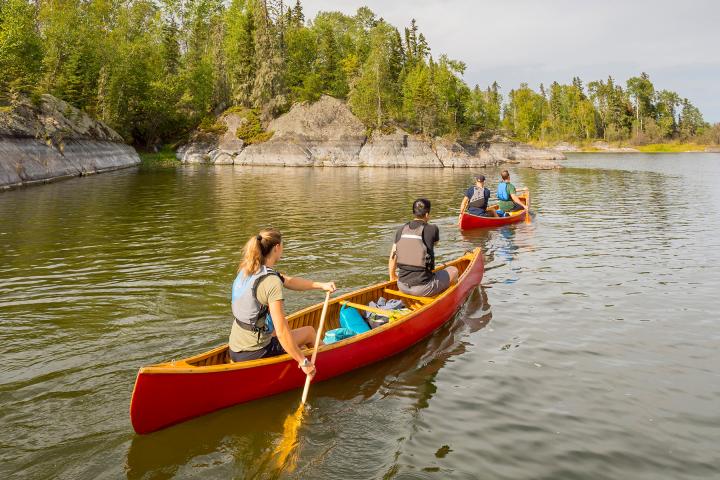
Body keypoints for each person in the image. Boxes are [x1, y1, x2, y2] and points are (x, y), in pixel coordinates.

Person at [229, 228, 336, 379]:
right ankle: (331, 365)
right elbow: (281, 332)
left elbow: (289, 281)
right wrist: (303, 361)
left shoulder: (248, 269)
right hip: (255, 352)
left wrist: (320, 285)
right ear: (277, 247)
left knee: (276, 328)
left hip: (234, 348)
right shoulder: (271, 282)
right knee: (310, 332)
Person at [388, 198, 459, 297]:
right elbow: (435, 243)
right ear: (427, 215)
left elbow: (392, 256)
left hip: (402, 285)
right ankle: (446, 298)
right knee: (454, 270)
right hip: (423, 288)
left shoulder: (401, 230)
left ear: (414, 213)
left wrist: (392, 276)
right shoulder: (433, 229)